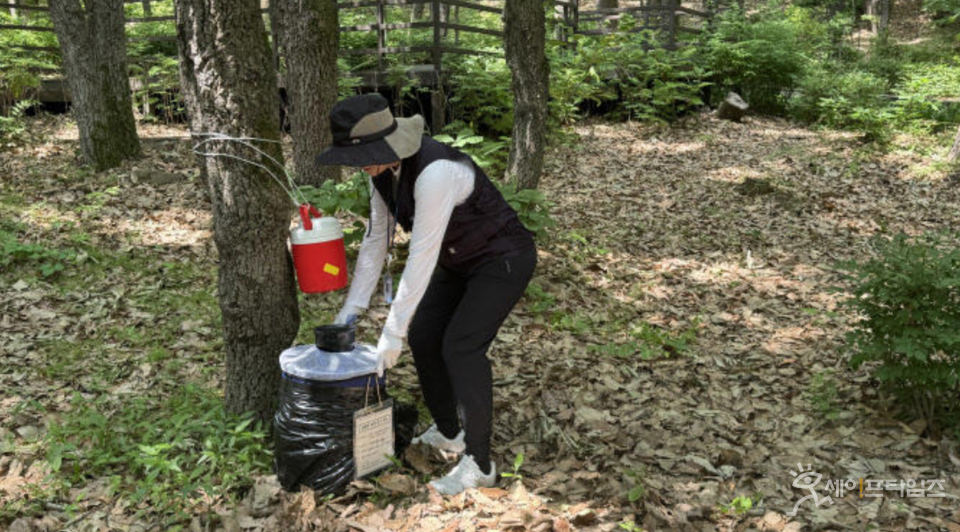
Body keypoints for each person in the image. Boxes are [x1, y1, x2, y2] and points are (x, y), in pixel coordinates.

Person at [315, 93, 537, 496]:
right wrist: (351, 309)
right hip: (457, 262)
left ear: (386, 144)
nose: (360, 164)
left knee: (461, 348)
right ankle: (450, 432)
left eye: (364, 155)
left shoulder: (436, 172)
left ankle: (480, 463)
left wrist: (392, 331)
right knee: (424, 336)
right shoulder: (380, 171)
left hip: (502, 259)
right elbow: (376, 239)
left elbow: (421, 255)